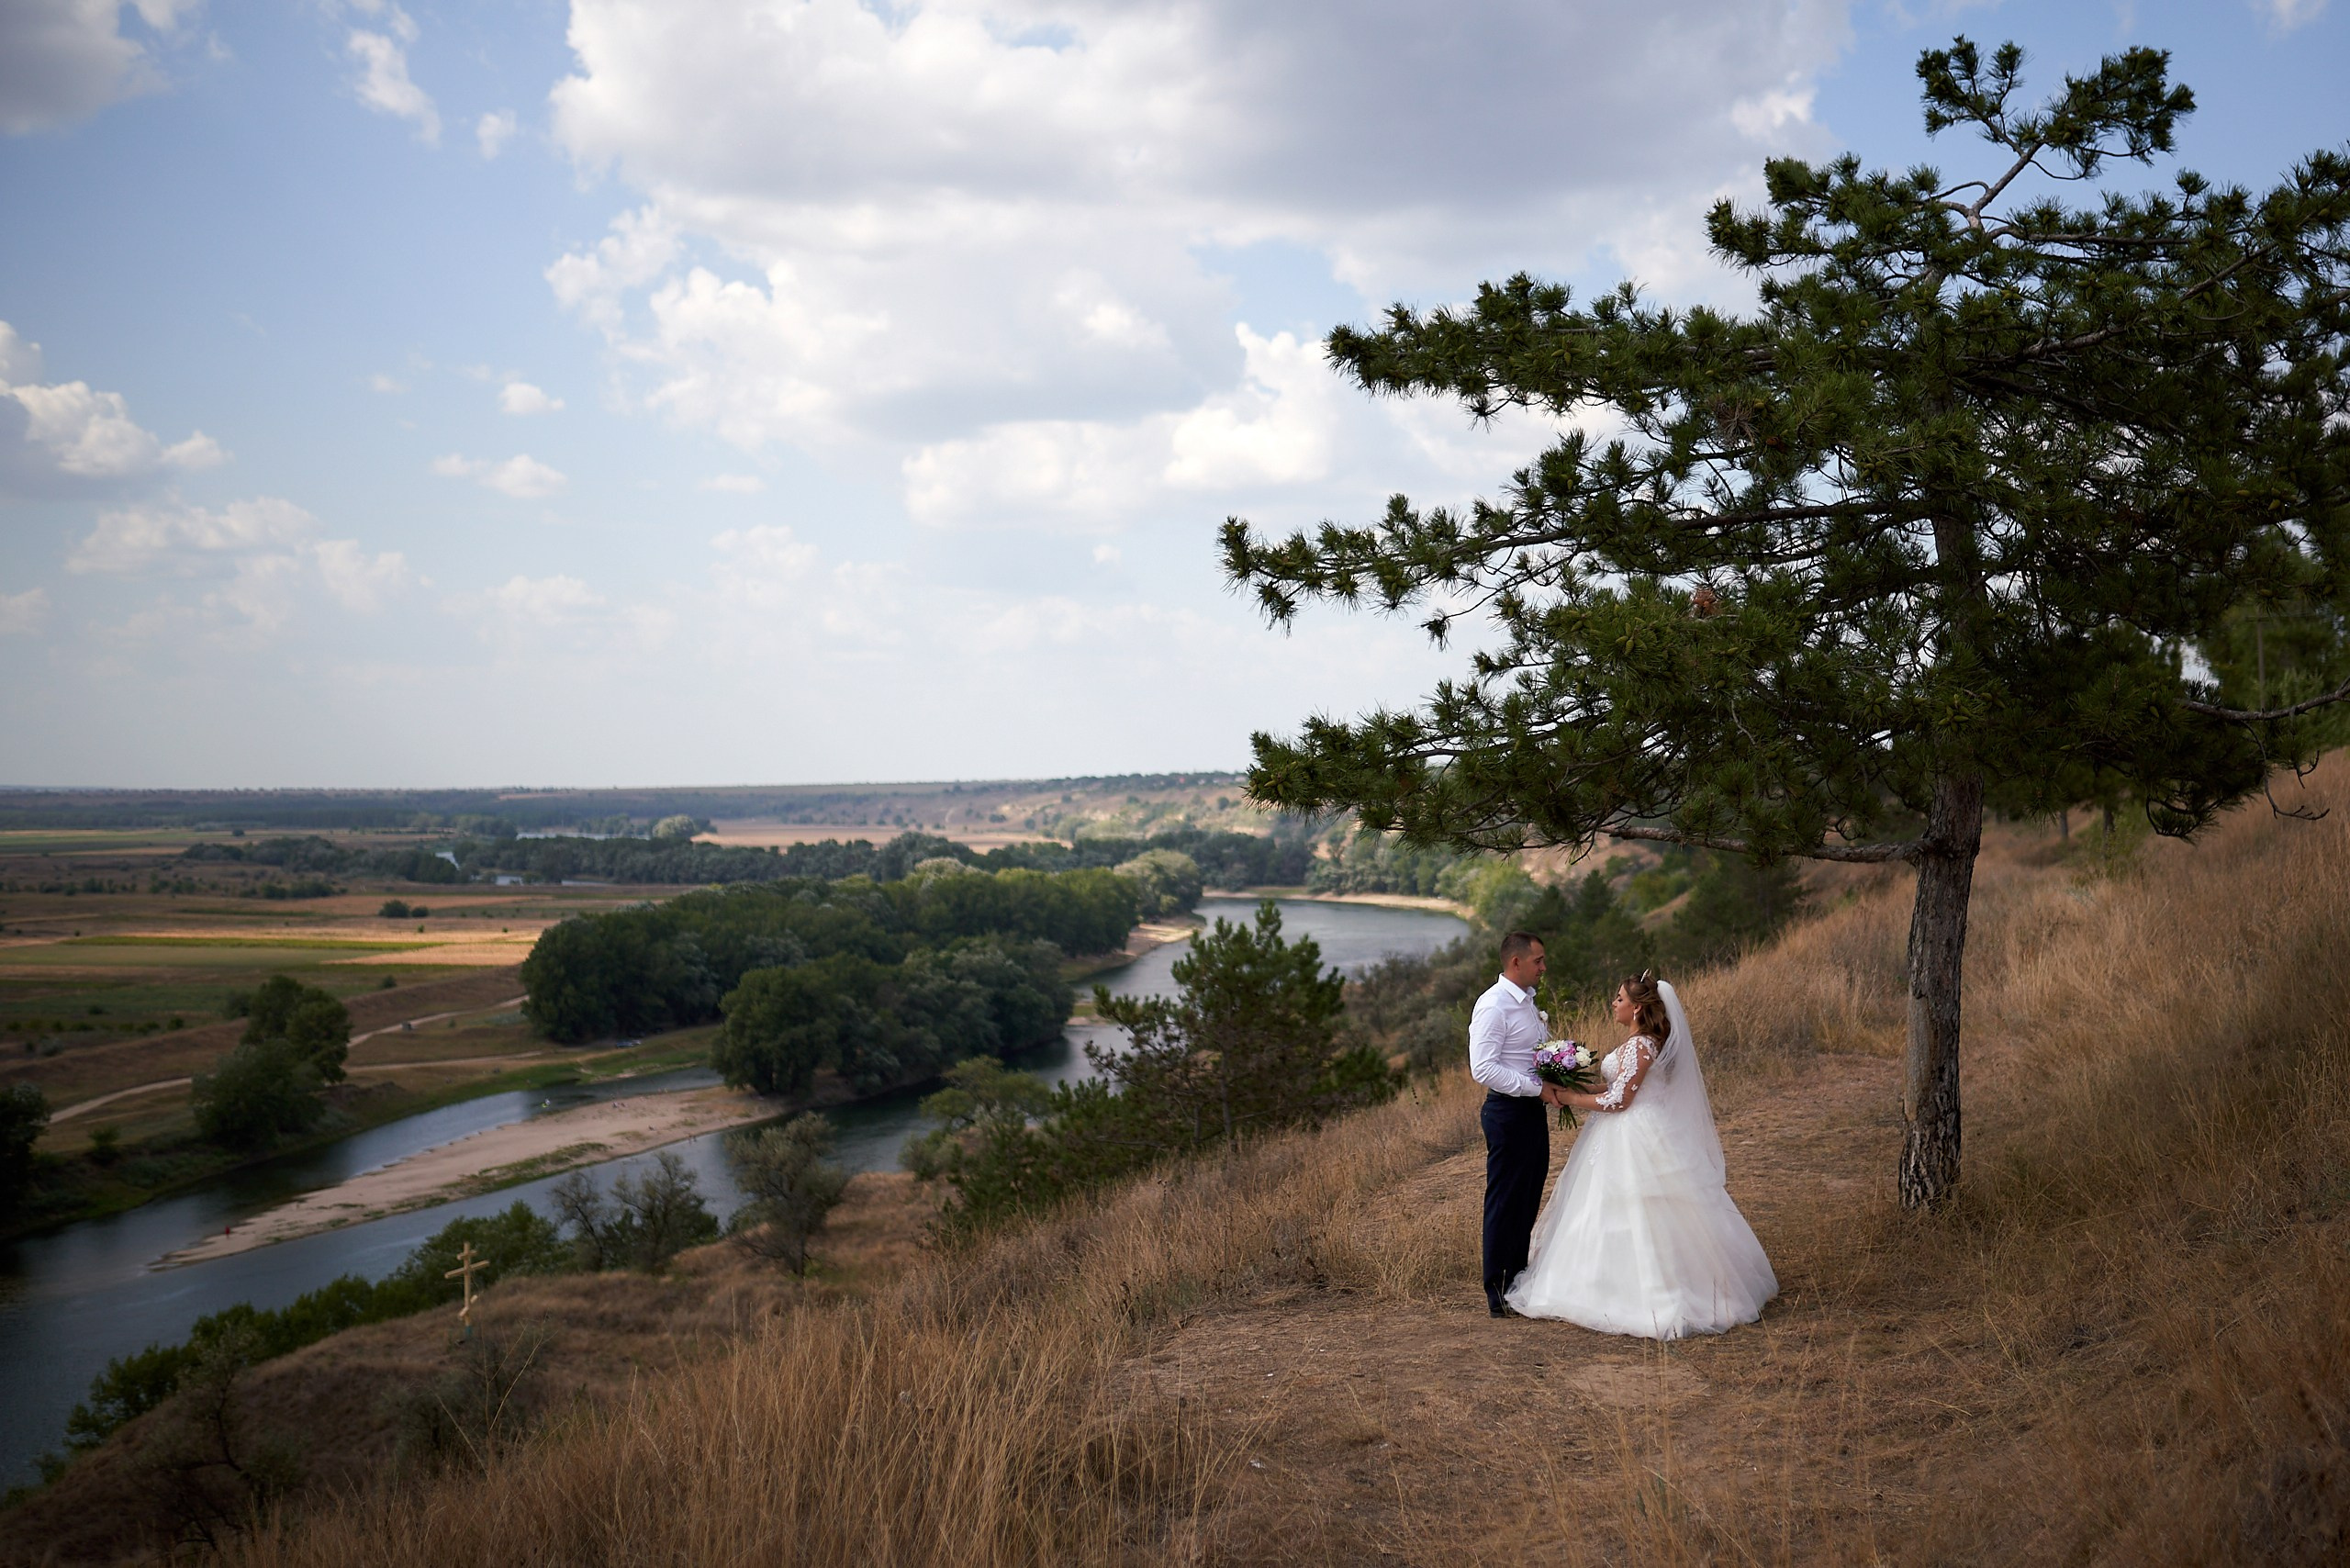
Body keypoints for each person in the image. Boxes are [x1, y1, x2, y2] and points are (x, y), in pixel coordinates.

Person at [1505, 971, 1776, 1338]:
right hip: (1626, 1130)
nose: (1613, 1004)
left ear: (1636, 1008)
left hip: (1635, 1134)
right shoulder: (1639, 1043)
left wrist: (1570, 1098)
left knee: (1639, 1207)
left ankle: (1655, 1293)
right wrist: (1574, 1084)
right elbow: (1617, 1085)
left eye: (1619, 999)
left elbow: (1620, 1100)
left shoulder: (1640, 1046)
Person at [1469, 932, 1573, 1317]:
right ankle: (1497, 1291)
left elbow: (1526, 1056)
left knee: (1528, 1195)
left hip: (1530, 1111)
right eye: (1538, 960)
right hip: (1507, 1113)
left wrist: (1560, 1072)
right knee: (1506, 1200)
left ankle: (1516, 1280)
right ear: (1516, 962)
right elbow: (1483, 1068)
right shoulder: (1494, 1006)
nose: (1544, 967)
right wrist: (1536, 1087)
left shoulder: (1527, 1001)